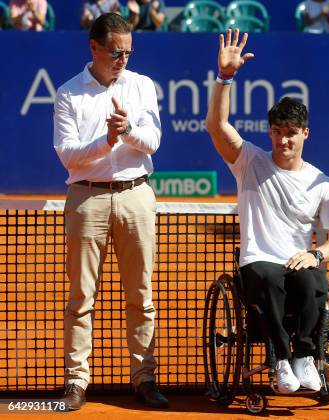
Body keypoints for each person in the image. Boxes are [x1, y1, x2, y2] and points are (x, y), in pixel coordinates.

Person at [206, 28, 329, 394]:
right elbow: (217, 126)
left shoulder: (323, 182)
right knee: (270, 278)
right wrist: (225, 78)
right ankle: (281, 361)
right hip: (258, 260)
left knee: (314, 277)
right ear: (269, 132)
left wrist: (316, 254)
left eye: (291, 132)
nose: (283, 139)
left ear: (306, 134)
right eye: (277, 131)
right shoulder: (249, 161)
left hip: (297, 259)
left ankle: (305, 356)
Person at [53, 13, 167, 411]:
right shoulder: (68, 93)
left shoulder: (142, 86)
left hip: (137, 196)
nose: (123, 60)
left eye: (129, 52)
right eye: (116, 52)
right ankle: (76, 381)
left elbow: (152, 140)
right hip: (86, 200)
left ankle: (145, 377)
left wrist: (128, 131)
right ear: (94, 47)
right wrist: (107, 140)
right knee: (81, 296)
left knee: (141, 294)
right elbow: (68, 155)